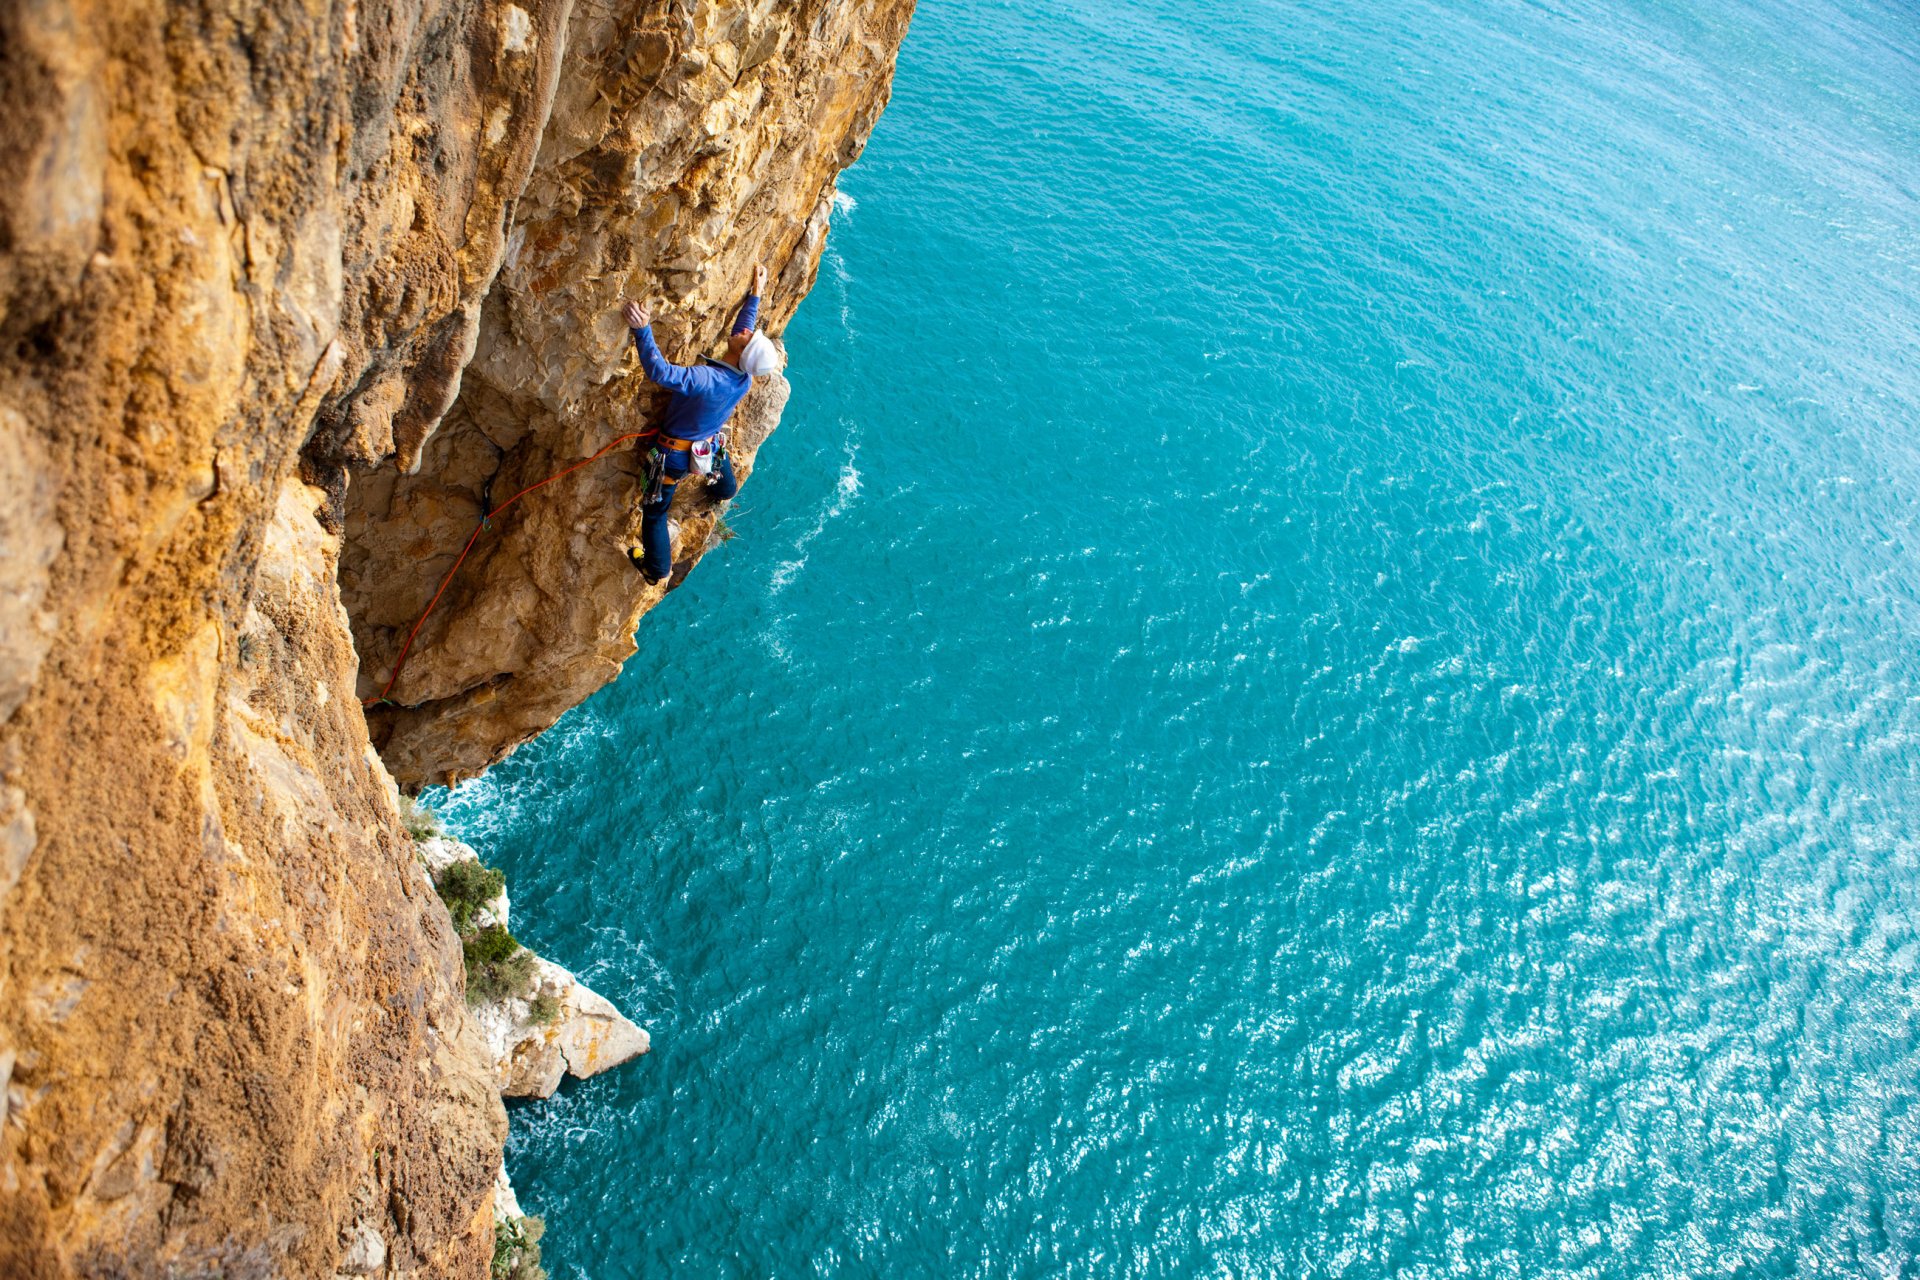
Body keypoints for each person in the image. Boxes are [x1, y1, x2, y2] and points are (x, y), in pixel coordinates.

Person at [621, 265, 785, 584]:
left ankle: (657, 569)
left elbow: (662, 373)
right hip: (704, 447)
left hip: (671, 458)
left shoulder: (706, 379)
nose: (746, 331)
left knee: (655, 511)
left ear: (743, 353)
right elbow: (743, 332)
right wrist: (756, 294)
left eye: (748, 339)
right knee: (719, 473)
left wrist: (643, 330)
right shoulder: (743, 378)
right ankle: (724, 489)